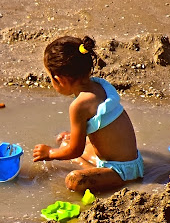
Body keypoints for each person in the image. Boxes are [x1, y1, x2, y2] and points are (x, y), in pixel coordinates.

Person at [32, 35, 144, 192]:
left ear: (60, 80)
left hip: (120, 172)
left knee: (74, 180)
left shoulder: (78, 106)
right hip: (132, 162)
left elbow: (75, 150)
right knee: (65, 140)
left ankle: (80, 163)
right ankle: (80, 158)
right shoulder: (99, 85)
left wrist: (50, 153)